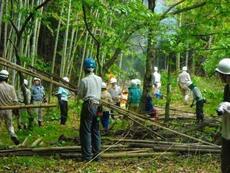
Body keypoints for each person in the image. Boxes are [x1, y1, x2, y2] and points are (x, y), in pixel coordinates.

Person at [78, 58, 102, 161]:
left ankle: (87, 157)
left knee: (86, 130)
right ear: (94, 68)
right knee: (95, 130)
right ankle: (97, 155)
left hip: (88, 105)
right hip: (97, 106)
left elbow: (80, 95)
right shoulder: (99, 79)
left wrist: (78, 92)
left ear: (84, 68)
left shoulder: (84, 80)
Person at [215, 58, 230, 173]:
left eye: (221, 75)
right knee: (225, 161)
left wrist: (227, 105)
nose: (220, 77)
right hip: (227, 131)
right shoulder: (227, 88)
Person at [0, 70, 20, 145]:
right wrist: (16, 110)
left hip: (0, 109)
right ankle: (12, 134)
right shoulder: (11, 87)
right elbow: (15, 101)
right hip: (8, 109)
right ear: (7, 78)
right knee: (10, 125)